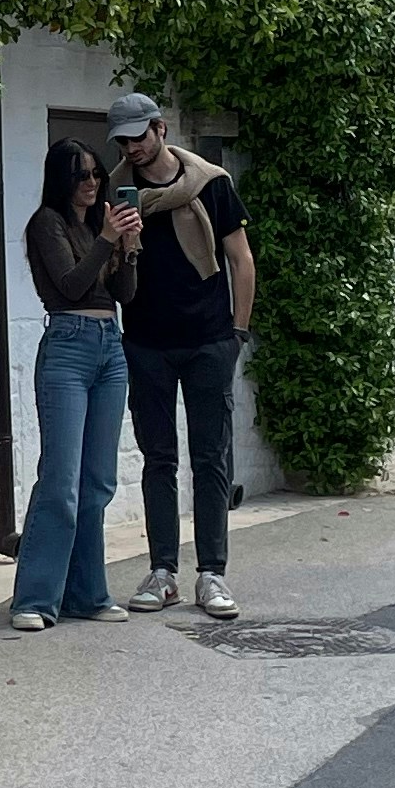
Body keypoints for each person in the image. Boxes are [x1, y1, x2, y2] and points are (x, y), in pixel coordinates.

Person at [110, 91, 255, 623]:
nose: (132, 148)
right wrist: (120, 237)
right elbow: (110, 271)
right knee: (158, 459)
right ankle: (163, 572)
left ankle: (212, 573)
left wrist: (237, 333)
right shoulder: (116, 193)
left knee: (211, 457)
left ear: (160, 129)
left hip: (208, 340)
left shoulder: (210, 183)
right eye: (123, 141)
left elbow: (240, 259)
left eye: (138, 137)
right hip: (145, 340)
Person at [9, 139, 142, 630]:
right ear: (62, 180)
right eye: (81, 175)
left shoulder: (96, 226)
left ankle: (87, 594)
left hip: (110, 347)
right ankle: (34, 600)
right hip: (68, 346)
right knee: (61, 481)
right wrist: (107, 239)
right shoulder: (47, 223)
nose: (92, 183)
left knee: (97, 481)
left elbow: (124, 294)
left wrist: (129, 248)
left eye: (96, 174)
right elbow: (69, 285)